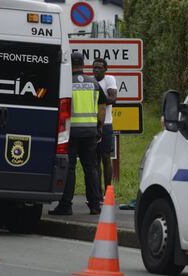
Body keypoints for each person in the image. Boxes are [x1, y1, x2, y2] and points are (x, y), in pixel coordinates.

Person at [48, 52, 107, 216]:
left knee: (70, 168)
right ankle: (95, 205)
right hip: (90, 132)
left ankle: (66, 205)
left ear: (70, 65)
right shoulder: (93, 83)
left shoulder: (67, 83)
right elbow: (102, 106)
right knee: (91, 168)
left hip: (71, 133)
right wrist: (99, 127)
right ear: (83, 64)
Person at [92, 58, 117, 198]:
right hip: (92, 124)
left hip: (106, 124)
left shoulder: (109, 79)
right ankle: (97, 193)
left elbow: (113, 99)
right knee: (94, 161)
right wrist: (103, 98)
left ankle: (108, 192)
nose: (97, 70)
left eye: (100, 67)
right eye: (95, 67)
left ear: (105, 69)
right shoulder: (90, 81)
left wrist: (97, 99)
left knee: (106, 158)